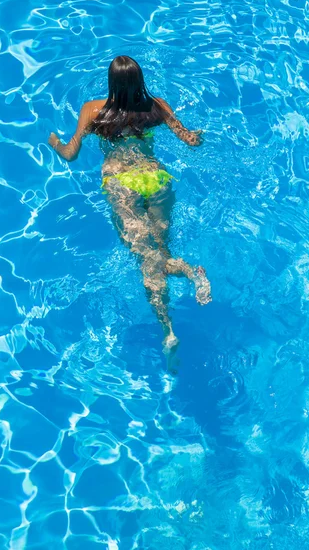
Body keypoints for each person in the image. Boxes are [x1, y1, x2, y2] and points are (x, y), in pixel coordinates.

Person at [48, 55, 211, 371]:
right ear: (140, 81)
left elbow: (70, 154)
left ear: (111, 83)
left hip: (123, 184)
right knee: (161, 251)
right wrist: (201, 134)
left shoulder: (94, 111)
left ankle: (168, 330)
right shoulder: (156, 106)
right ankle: (191, 272)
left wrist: (52, 140)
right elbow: (190, 140)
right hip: (155, 178)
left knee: (147, 259)